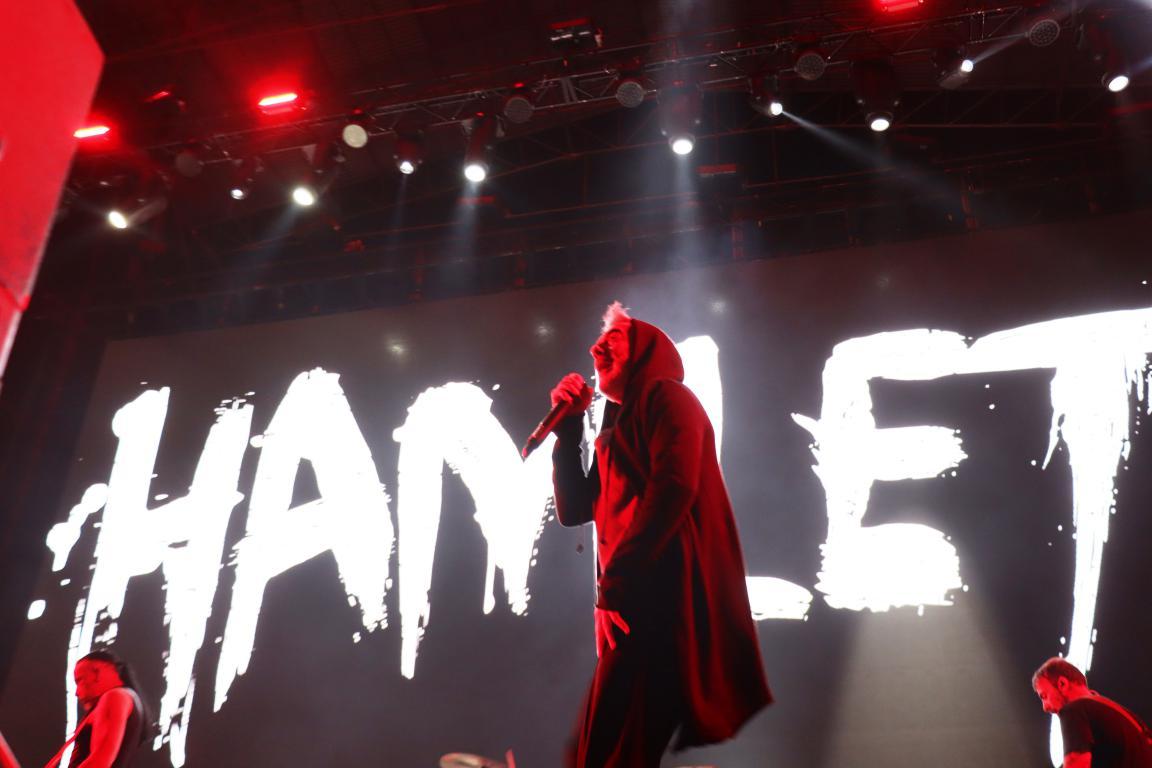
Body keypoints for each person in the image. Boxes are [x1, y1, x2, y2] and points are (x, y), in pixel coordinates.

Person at [549, 302, 771, 768]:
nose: (595, 350)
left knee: (614, 748)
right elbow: (576, 509)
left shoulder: (668, 398)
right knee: (599, 750)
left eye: (612, 340)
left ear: (646, 349)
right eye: (597, 342)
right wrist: (568, 433)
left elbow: (674, 489)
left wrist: (612, 589)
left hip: (661, 601)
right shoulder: (615, 424)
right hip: (631, 603)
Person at [1033, 657, 1152, 768]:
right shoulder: (1123, 714)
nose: (1045, 707)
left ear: (1062, 684)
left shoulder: (1073, 709)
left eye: (1044, 696)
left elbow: (1076, 764)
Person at [49, 651, 145, 768]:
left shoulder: (115, 696)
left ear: (98, 673)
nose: (77, 692)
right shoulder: (122, 697)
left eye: (80, 680)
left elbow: (99, 763)